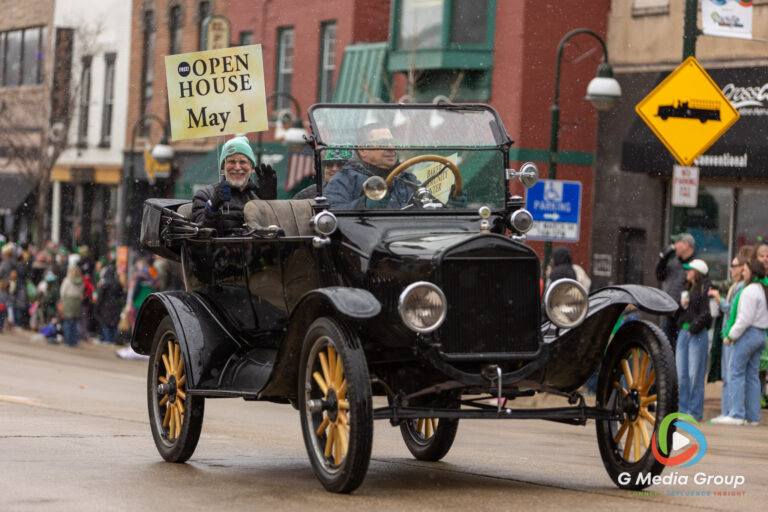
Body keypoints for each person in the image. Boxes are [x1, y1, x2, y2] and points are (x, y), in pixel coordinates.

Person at [712, 259, 768, 426]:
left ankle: (736, 413)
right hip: (760, 335)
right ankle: (753, 417)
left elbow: (744, 319)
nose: (743, 273)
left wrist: (731, 335)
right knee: (752, 375)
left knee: (735, 372)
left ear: (752, 272)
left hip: (748, 334)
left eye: (745, 270)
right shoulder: (763, 290)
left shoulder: (749, 291)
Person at [192, 136, 277, 233]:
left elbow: (273, 233)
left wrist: (269, 202)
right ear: (223, 168)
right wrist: (212, 207)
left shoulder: (257, 196)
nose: (237, 167)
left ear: (252, 168)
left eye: (243, 162)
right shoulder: (204, 195)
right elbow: (202, 235)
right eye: (232, 161)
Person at [324, 123, 419, 210]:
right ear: (363, 150)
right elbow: (330, 212)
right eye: (383, 143)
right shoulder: (345, 178)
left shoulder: (406, 178)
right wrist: (364, 204)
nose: (391, 147)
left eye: (393, 142)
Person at [708, 252, 749, 422]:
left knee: (732, 375)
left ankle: (733, 412)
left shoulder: (741, 288)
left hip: (732, 335)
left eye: (734, 265)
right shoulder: (734, 286)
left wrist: (719, 299)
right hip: (727, 333)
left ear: (742, 268)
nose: (731, 269)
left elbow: (732, 310)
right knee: (726, 376)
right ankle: (726, 412)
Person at [675, 258, 712, 421]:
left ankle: (694, 412)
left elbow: (708, 313)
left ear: (698, 273)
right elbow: (680, 313)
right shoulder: (688, 288)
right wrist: (681, 306)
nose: (687, 272)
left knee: (694, 374)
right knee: (681, 373)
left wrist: (693, 327)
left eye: (690, 270)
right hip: (684, 333)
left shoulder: (706, 288)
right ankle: (682, 409)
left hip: (696, 334)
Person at [655, 232, 696, 351]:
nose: (674, 245)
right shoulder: (674, 262)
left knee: (679, 351)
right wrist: (663, 258)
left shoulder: (695, 265)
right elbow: (660, 275)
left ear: (686, 245)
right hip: (670, 312)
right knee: (666, 349)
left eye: (676, 243)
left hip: (683, 315)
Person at [94, 265, 124, 344]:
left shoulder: (104, 284)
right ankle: (112, 341)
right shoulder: (117, 283)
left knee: (106, 325)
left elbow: (100, 297)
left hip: (106, 306)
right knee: (113, 325)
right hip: (115, 306)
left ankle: (108, 341)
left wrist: (97, 307)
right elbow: (121, 295)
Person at [59, 265, 84, 348]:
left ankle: (68, 341)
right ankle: (74, 341)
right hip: (76, 303)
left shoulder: (67, 281)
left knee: (67, 323)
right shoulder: (81, 282)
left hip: (68, 302)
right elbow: (81, 293)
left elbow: (62, 292)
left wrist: (63, 300)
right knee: (75, 323)